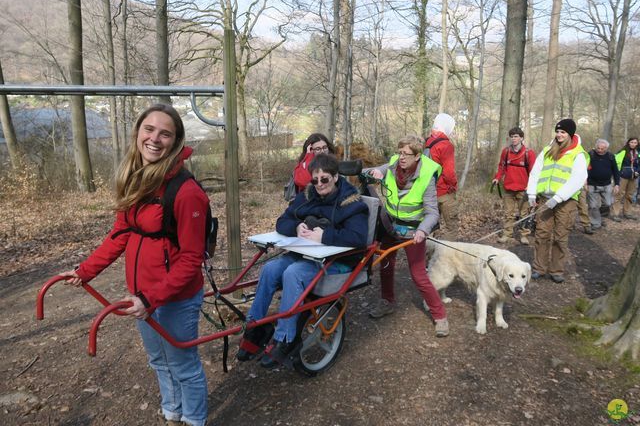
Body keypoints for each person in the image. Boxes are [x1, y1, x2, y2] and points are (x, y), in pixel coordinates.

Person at [59, 104, 209, 426]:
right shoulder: (136, 180)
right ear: (138, 133)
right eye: (149, 129)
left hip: (174, 298)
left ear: (176, 141)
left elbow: (192, 259)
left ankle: (195, 420)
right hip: (140, 295)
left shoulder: (187, 193)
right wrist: (84, 271)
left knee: (183, 364)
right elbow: (120, 234)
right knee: (158, 360)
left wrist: (152, 298)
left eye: (165, 133)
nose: (155, 138)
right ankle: (173, 412)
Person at [240, 153, 369, 368]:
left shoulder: (351, 203)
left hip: (337, 262)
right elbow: (282, 221)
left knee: (293, 273)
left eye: (325, 179)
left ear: (336, 177)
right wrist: (295, 227)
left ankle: (286, 338)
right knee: (271, 268)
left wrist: (324, 236)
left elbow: (358, 237)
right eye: (315, 180)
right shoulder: (307, 196)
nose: (319, 184)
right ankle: (255, 327)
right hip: (306, 254)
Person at [366, 135, 449, 337]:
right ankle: (387, 302)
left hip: (413, 230)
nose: (401, 157)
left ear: (418, 156)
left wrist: (423, 230)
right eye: (399, 152)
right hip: (390, 227)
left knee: (418, 275)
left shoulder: (427, 175)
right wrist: (373, 172)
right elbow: (371, 172)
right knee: (385, 265)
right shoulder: (394, 164)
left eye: (406, 154)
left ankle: (440, 317)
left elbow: (432, 213)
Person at [526, 119, 588, 283]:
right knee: (541, 234)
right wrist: (532, 194)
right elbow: (535, 173)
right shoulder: (547, 150)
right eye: (558, 132)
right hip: (545, 199)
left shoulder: (578, 154)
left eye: (563, 132)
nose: (559, 135)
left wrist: (558, 198)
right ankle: (539, 267)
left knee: (560, 236)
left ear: (570, 134)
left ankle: (556, 270)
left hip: (565, 202)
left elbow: (578, 178)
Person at [492, 127, 536, 245]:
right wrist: (497, 178)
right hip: (508, 188)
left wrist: (531, 186)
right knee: (508, 213)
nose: (513, 139)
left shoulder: (529, 153)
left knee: (524, 214)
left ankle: (524, 235)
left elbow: (533, 172)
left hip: (523, 189)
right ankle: (507, 234)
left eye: (516, 136)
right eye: (512, 136)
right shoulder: (506, 152)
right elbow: (501, 167)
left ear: (521, 138)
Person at [424, 113, 458, 238]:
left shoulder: (426, 143)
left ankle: (427, 255)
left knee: (431, 226)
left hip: (427, 192)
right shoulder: (446, 145)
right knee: (451, 227)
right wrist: (453, 186)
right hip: (443, 192)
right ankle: (447, 256)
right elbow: (449, 173)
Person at [586, 139, 620, 230]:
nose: (600, 150)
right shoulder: (590, 155)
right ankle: (596, 223)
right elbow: (584, 169)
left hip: (606, 184)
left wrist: (617, 184)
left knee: (608, 203)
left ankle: (600, 217)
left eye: (602, 148)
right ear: (595, 146)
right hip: (592, 184)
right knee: (593, 206)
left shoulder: (610, 156)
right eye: (598, 148)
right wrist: (585, 182)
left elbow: (616, 171)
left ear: (606, 148)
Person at [613, 137, 639, 220]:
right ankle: (615, 214)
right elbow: (616, 162)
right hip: (623, 176)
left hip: (634, 176)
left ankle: (627, 212)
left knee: (630, 195)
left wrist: (638, 171)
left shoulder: (638, 152)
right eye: (632, 142)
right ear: (628, 143)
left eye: (635, 142)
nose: (633, 144)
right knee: (618, 194)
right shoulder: (623, 151)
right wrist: (619, 173)